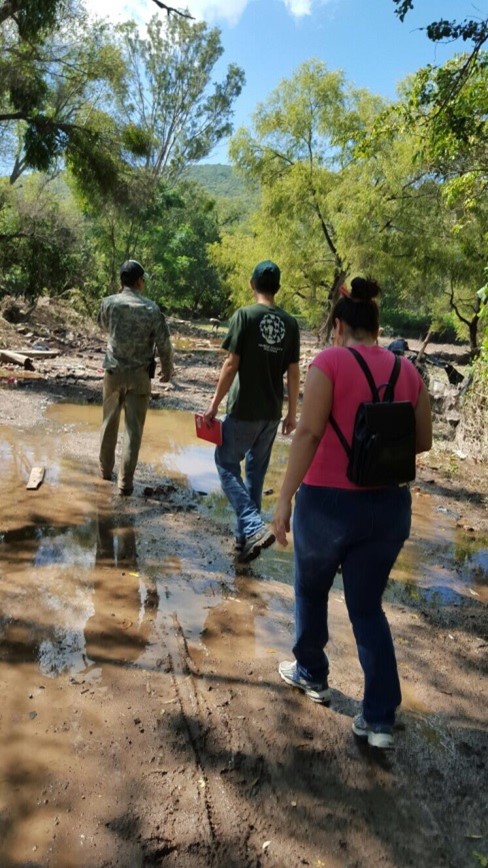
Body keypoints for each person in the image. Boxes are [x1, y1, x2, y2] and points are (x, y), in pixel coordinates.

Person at [272, 277, 432, 749]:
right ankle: (379, 719)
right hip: (386, 510)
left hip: (326, 504)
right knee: (366, 609)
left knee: (310, 589)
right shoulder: (408, 370)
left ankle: (312, 674)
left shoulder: (329, 361)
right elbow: (421, 442)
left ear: (339, 325)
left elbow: (307, 434)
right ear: (378, 326)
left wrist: (284, 499)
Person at [203, 260, 300, 564]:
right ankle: (244, 542)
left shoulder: (244, 316)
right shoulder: (290, 323)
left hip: (244, 408)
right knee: (255, 477)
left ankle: (253, 524)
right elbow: (294, 372)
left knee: (225, 461)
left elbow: (231, 364)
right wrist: (291, 413)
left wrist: (214, 405)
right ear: (278, 288)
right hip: (272, 412)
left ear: (251, 284)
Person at [98, 259, 173, 495]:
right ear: (139, 281)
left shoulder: (108, 304)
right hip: (140, 377)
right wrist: (167, 371)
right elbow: (164, 345)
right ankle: (125, 483)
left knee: (109, 422)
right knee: (133, 429)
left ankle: (104, 471)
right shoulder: (152, 309)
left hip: (113, 372)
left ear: (121, 281)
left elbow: (104, 326)